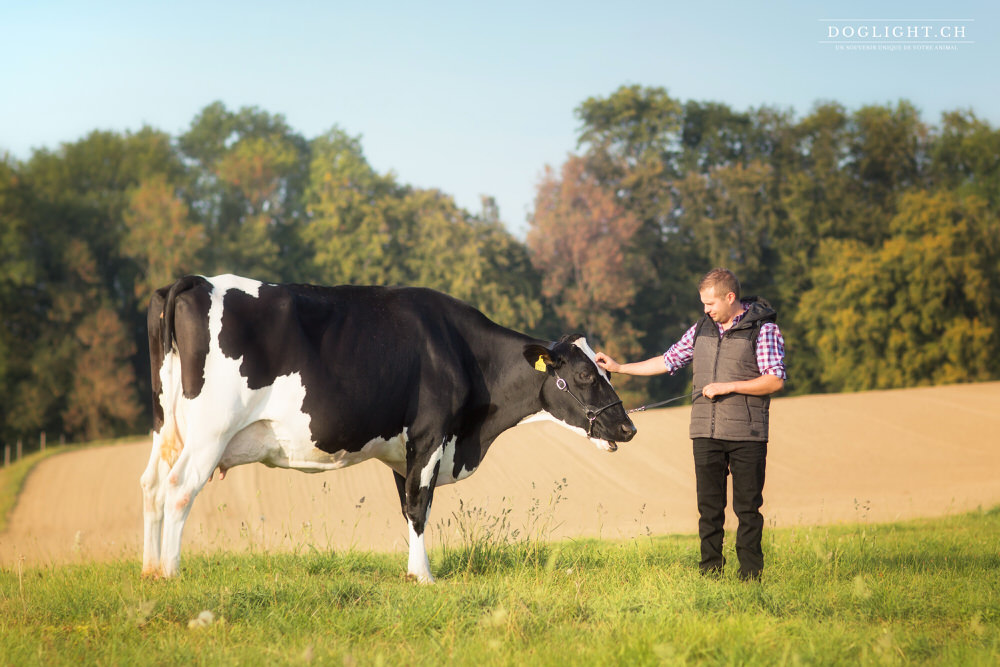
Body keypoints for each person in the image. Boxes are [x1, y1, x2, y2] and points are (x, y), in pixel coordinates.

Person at [595, 268, 786, 581]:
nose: (706, 310)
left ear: (730, 297)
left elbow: (774, 380)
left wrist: (728, 387)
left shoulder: (763, 330)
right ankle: (710, 573)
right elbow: (668, 360)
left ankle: (750, 576)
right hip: (705, 433)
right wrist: (620, 367)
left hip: (747, 434)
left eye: (710, 303)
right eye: (703, 304)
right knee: (709, 510)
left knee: (747, 511)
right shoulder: (701, 329)